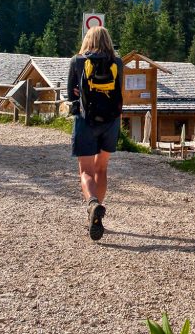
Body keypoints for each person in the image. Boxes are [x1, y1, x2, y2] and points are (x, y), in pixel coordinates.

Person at [66, 25, 123, 241]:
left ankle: (92, 205)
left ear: (87, 40)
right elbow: (119, 90)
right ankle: (98, 214)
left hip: (86, 120)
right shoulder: (117, 62)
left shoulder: (77, 61)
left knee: (86, 171)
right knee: (102, 168)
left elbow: (70, 93)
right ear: (108, 40)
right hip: (111, 122)